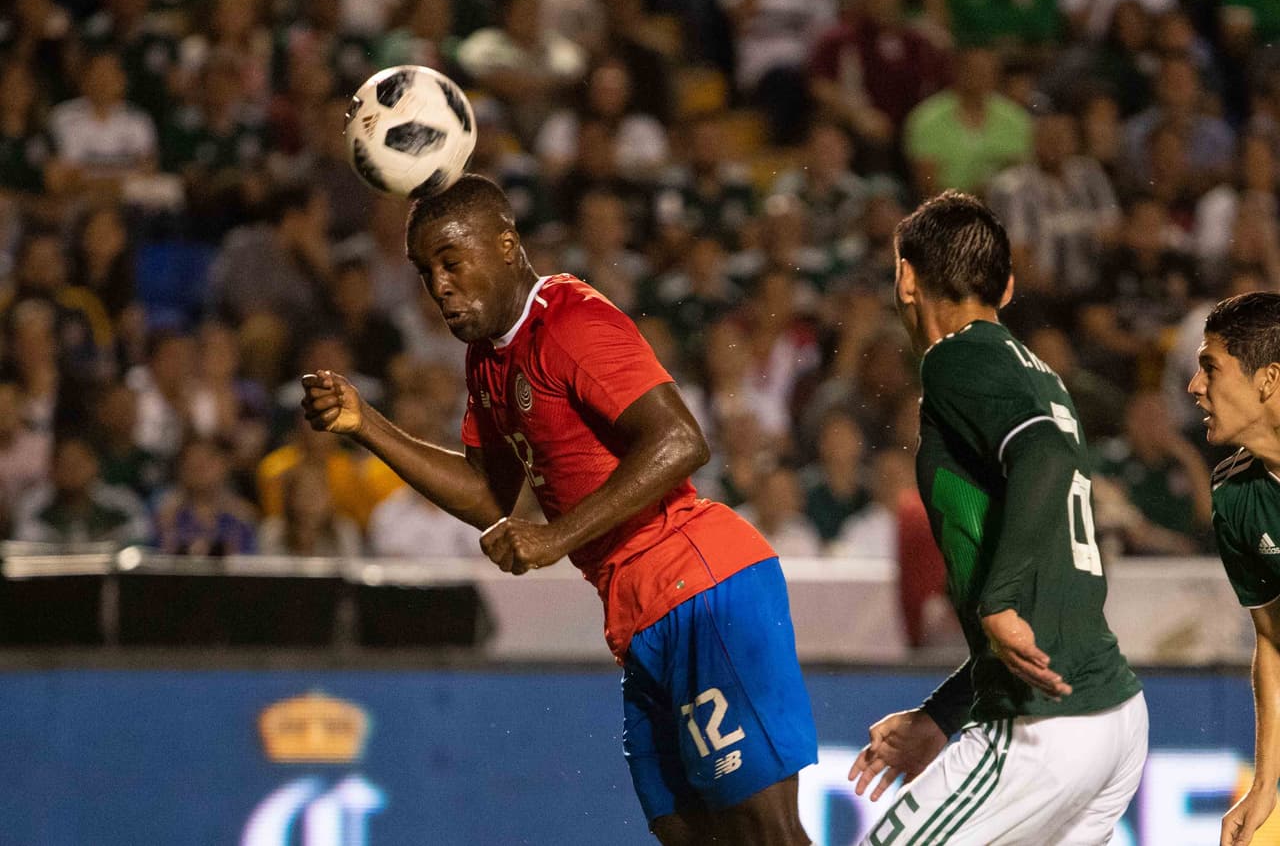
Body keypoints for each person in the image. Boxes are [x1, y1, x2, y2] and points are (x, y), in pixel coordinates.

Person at [301, 174, 816, 845]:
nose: (440, 285)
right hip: (640, 613)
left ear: (507, 245)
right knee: (689, 833)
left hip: (702, 584)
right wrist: (366, 424)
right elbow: (489, 496)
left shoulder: (571, 320)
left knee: (766, 834)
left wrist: (552, 538)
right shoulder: (488, 361)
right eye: (427, 271)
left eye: (452, 261)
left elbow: (682, 439)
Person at [848, 191, 1147, 844]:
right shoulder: (1037, 375)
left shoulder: (959, 355)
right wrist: (942, 713)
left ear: (905, 276)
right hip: (1108, 713)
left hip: (1043, 727)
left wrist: (997, 600)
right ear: (1006, 287)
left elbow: (1040, 457)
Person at [1187, 291, 1280, 846]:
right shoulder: (1235, 495)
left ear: (1267, 379)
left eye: (1210, 367)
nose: (1195, 387)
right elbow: (1272, 638)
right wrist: (1265, 783)